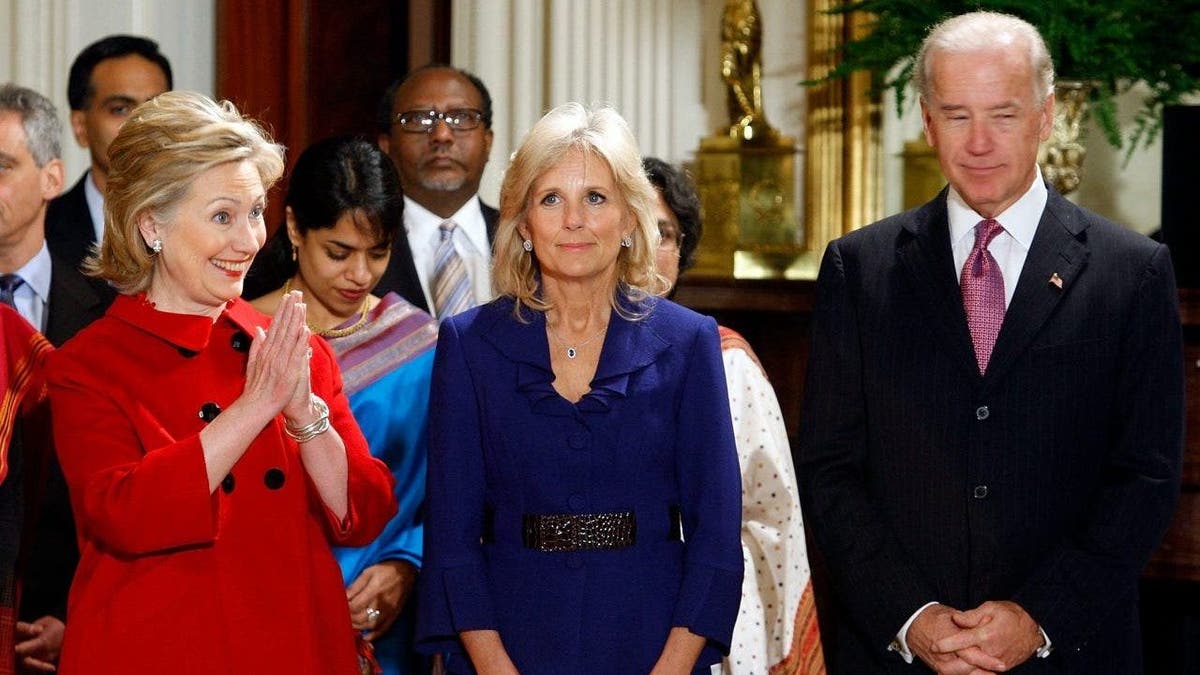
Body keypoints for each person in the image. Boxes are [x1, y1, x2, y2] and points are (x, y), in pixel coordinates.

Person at [798, 11, 1183, 675]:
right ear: (925, 119)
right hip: (899, 655)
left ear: (1046, 115)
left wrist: (1039, 618)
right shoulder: (858, 270)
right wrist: (911, 616)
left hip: (1072, 654)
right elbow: (830, 470)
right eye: (956, 114)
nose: (979, 142)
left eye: (1002, 115)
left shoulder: (1133, 273)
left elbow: (1144, 477)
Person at [44, 91, 397, 674]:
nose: (249, 241)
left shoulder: (291, 346)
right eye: (222, 216)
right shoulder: (86, 365)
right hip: (156, 651)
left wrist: (305, 416)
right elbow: (125, 515)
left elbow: (361, 511)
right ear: (151, 224)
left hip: (297, 647)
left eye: (255, 212)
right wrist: (254, 407)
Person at [415, 103, 744, 674]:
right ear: (522, 223)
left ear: (627, 218)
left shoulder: (689, 342)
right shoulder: (468, 345)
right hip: (506, 641)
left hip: (651, 640)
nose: (574, 220)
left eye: (595, 198)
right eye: (551, 200)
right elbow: (452, 538)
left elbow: (716, 535)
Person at [249, 136, 437, 675]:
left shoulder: (421, 347)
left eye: (377, 253)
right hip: (256, 605)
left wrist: (408, 565)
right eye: (339, 252)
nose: (359, 275)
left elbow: (452, 493)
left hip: (376, 619)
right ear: (293, 229)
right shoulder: (236, 334)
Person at [644, 156, 825, 675]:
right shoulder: (563, 355)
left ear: (683, 252)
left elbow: (775, 517)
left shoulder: (726, 362)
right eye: (635, 227)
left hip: (713, 621)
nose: (649, 250)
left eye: (666, 234)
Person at [0, 82, 115, 673]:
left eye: (2, 166)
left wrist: (78, 615)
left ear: (51, 178)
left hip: (73, 618)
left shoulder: (108, 312)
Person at [372, 65, 497, 319]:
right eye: (418, 119)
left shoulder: (529, 239)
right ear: (386, 145)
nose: (441, 135)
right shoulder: (359, 247)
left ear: (487, 142)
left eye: (461, 117)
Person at [44, 34, 173, 270]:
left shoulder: (206, 222)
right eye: (121, 109)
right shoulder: (41, 227)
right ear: (80, 126)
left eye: (156, 108)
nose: (141, 124)